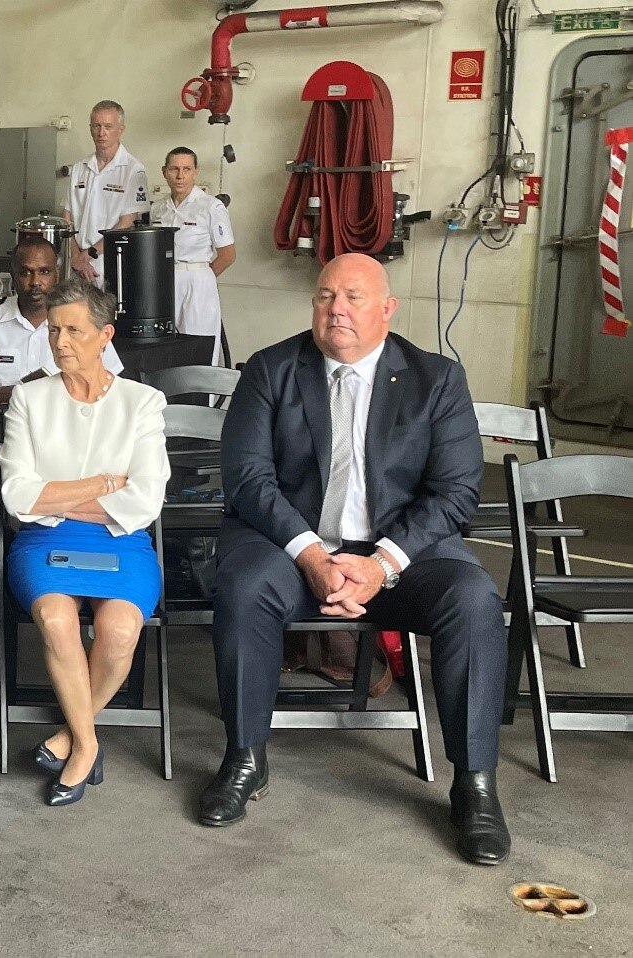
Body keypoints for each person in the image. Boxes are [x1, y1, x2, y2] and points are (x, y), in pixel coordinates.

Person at [201, 253, 511, 866]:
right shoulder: (271, 370)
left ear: (387, 309)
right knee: (243, 587)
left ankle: (475, 783)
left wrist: (380, 564)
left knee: (474, 600)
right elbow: (247, 479)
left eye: (353, 297)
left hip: (400, 555)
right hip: (291, 545)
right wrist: (313, 554)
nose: (335, 308)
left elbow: (455, 494)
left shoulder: (436, 379)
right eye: (324, 296)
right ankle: (244, 757)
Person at [0, 280, 168, 806]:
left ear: (104, 336)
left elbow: (145, 502)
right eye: (54, 330)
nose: (61, 342)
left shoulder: (142, 402)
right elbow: (18, 496)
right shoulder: (29, 397)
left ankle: (70, 735)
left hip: (123, 541)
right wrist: (99, 485)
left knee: (119, 630)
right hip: (46, 541)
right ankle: (88, 745)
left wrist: (57, 497)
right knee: (54, 617)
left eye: (74, 330)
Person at [0, 236, 123, 593]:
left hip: (65, 434)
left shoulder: (79, 323)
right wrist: (18, 393)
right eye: (26, 273)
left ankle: (65, 558)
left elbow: (113, 384)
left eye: (44, 271)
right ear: (13, 274)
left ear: (57, 273)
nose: (36, 281)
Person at [150, 147, 235, 364]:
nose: (180, 175)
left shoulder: (210, 206)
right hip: (164, 281)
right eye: (174, 169)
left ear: (195, 172)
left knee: (199, 347)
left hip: (197, 280)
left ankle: (201, 397)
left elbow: (227, 254)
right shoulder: (158, 209)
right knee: (163, 347)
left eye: (186, 169)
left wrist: (203, 279)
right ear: (164, 172)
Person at [63, 100, 149, 289]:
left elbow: (127, 223)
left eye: (108, 127)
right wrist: (75, 255)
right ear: (90, 128)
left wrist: (89, 254)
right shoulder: (79, 168)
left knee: (105, 316)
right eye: (96, 126)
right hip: (76, 261)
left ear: (121, 129)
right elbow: (67, 216)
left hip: (108, 259)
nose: (101, 133)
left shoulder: (133, 170)